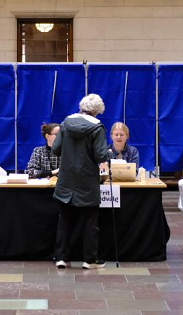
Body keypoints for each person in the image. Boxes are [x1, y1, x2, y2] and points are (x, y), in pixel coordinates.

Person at [52, 94, 110, 270]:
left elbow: (55, 149)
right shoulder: (97, 128)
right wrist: (106, 153)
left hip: (66, 180)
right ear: (96, 111)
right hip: (87, 181)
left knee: (65, 221)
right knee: (90, 222)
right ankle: (89, 260)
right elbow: (100, 156)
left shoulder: (65, 123)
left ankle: (61, 258)